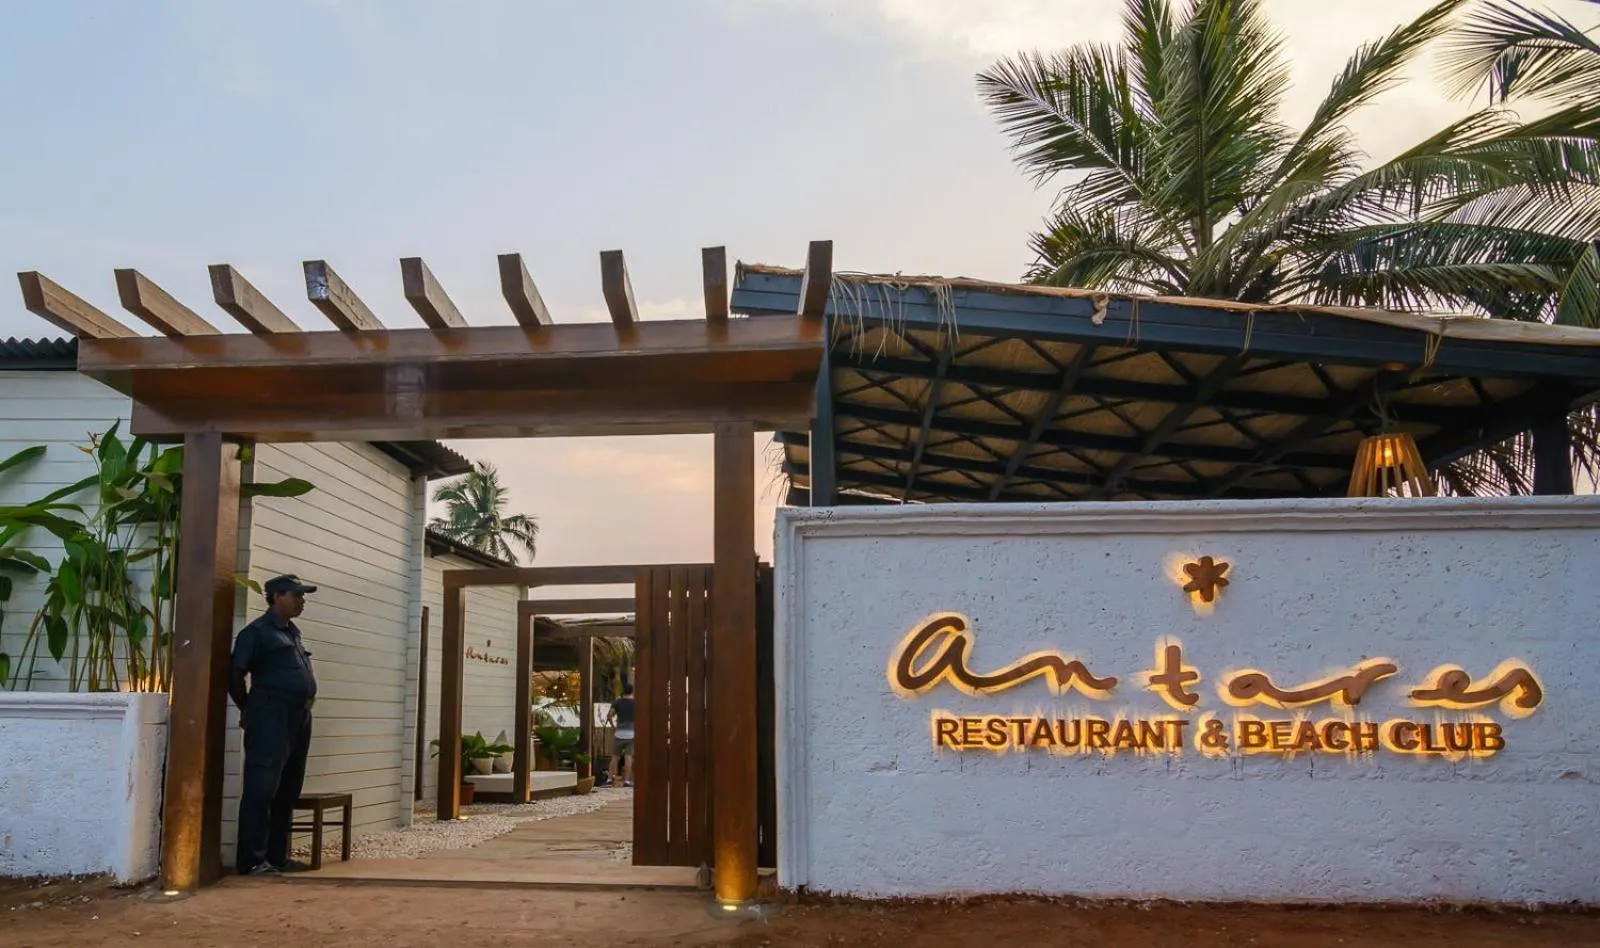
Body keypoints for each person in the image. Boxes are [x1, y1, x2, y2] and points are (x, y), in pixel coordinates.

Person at [229, 574, 319, 875]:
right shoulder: (256, 633)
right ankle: (252, 859)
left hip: (298, 716)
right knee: (262, 788)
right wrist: (249, 709)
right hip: (271, 716)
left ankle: (277, 856)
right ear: (277, 596)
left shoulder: (292, 632)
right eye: (297, 595)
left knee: (288, 788)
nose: (302, 601)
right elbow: (234, 674)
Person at [606, 682, 636, 788]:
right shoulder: (636, 703)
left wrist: (614, 727)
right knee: (629, 757)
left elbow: (609, 715)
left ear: (623, 691)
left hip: (619, 733)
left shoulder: (617, 702)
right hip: (632, 733)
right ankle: (627, 781)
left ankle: (609, 779)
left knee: (614, 757)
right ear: (632, 691)